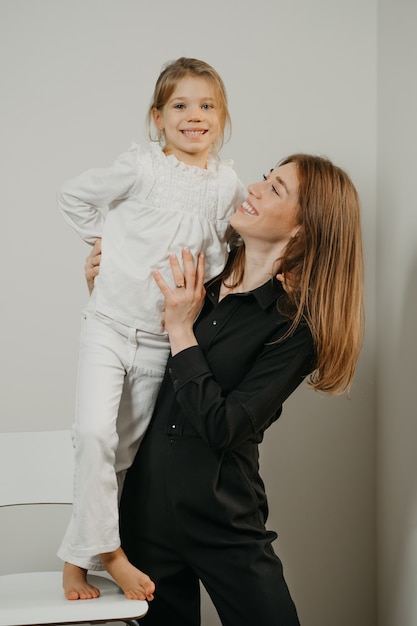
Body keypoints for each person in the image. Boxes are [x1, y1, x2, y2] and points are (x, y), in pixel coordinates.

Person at [86, 152, 364, 625]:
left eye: (276, 189)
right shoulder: (197, 271)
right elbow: (131, 370)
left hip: (222, 519)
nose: (253, 189)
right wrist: (104, 293)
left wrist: (180, 329)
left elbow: (225, 425)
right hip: (145, 511)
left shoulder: (295, 328)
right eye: (264, 179)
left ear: (302, 228)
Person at [57, 57, 246, 601]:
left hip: (160, 344)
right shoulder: (141, 167)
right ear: (158, 117)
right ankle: (109, 554)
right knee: (92, 434)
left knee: (119, 456)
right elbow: (71, 195)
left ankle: (75, 560)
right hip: (109, 326)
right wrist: (105, 247)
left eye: (207, 105)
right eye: (180, 105)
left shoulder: (226, 184)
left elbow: (230, 250)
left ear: (222, 115)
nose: (195, 116)